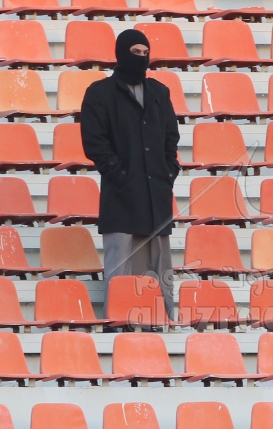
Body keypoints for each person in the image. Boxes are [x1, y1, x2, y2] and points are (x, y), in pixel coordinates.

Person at [80, 29, 180, 322]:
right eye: (135, 52)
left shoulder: (160, 92)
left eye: (145, 53)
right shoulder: (100, 93)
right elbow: (94, 142)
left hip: (156, 194)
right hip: (121, 196)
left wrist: (168, 171)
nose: (141, 58)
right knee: (120, 264)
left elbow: (170, 137)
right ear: (121, 53)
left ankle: (158, 322)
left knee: (158, 267)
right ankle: (118, 322)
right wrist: (119, 173)